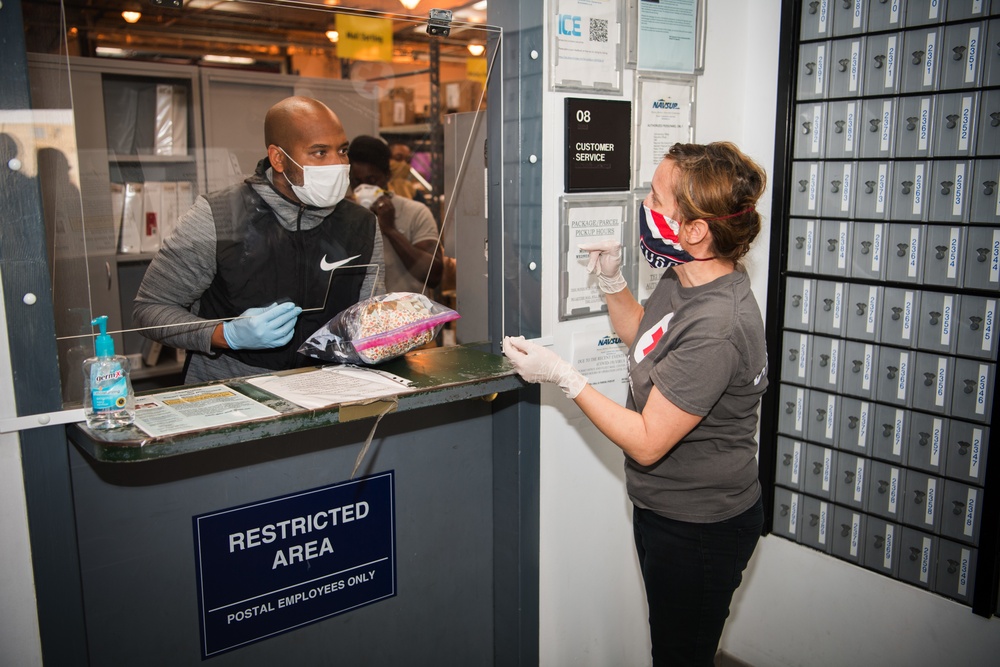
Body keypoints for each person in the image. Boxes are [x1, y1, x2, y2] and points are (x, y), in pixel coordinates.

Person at [503, 142, 768, 666]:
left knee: (679, 656)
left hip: (701, 527)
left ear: (694, 228)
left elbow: (648, 442)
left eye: (656, 195)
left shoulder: (719, 326)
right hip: (663, 509)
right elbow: (644, 336)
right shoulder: (686, 275)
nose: (645, 203)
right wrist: (611, 282)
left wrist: (562, 376)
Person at [133, 96, 385, 384]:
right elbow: (149, 310)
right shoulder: (218, 216)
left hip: (326, 388)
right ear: (278, 158)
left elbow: (369, 316)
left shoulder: (360, 224)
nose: (338, 164)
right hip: (231, 389)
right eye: (319, 152)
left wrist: (393, 328)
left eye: (342, 150)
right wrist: (225, 335)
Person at [348, 135, 443, 293]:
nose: (363, 188)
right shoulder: (344, 213)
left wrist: (391, 230)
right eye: (357, 182)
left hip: (409, 315)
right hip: (361, 315)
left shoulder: (415, 212)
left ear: (387, 176)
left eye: (372, 180)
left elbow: (434, 276)